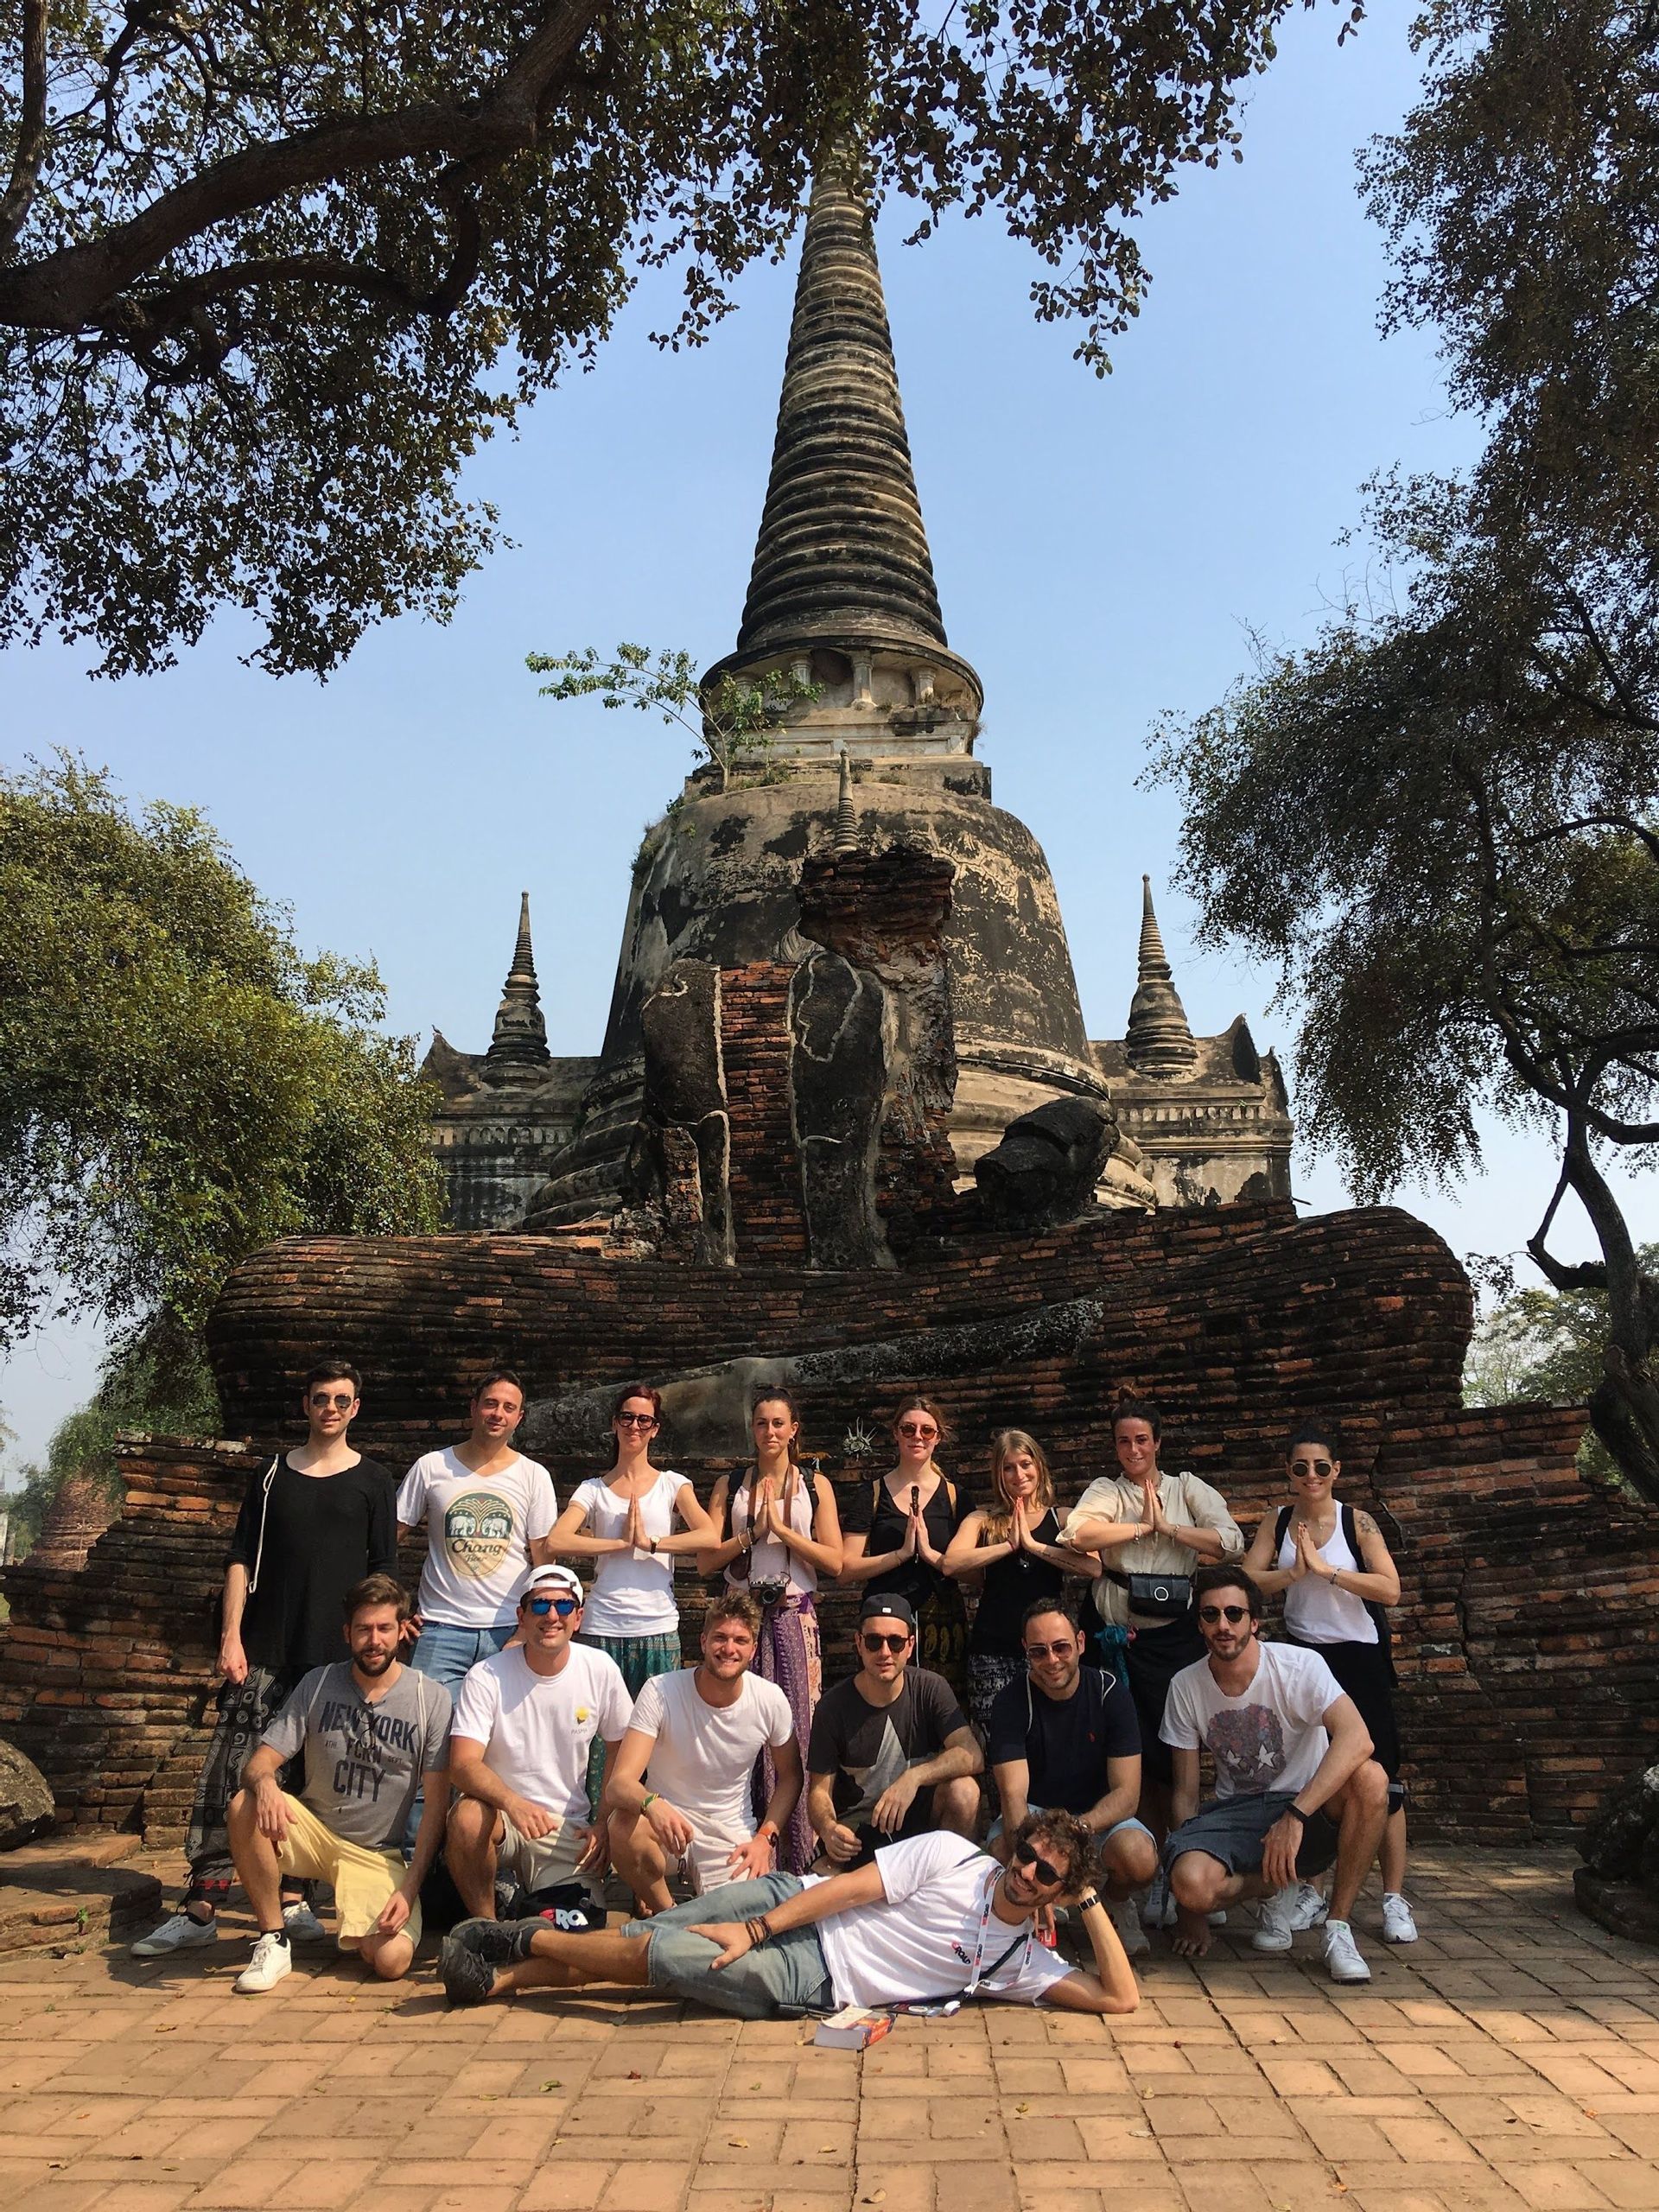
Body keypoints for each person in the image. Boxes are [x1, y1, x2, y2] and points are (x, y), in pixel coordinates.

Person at [132, 1360, 397, 1958]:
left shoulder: (374, 1479)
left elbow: (383, 1569)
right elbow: (239, 1561)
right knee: (234, 1771)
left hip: (334, 1656)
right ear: (305, 1405)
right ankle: (201, 1902)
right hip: (267, 1647)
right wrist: (231, 1636)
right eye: (321, 1398)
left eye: (342, 1399)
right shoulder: (273, 1474)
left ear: (356, 1408)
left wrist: (379, 1641)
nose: (331, 1408)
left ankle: (297, 1898)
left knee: (316, 1775)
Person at [436, 1806, 1141, 2018]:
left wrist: (1091, 1901)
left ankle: (514, 1945)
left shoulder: (1020, 1961)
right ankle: (498, 1976)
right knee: (656, 1930)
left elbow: (1120, 1997)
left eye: (1045, 1873)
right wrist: (758, 1926)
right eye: (1026, 1855)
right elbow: (852, 1888)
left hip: (813, 1979)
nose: (1024, 1872)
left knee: (658, 1958)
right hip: (788, 1904)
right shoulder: (955, 1857)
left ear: (1057, 1893)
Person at [1161, 1565, 1390, 1984]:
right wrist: (1189, 1908)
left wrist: (1296, 1816)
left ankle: (1337, 1928)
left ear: (1255, 1622)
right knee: (1192, 1884)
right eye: (1210, 1615)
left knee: (1371, 1779)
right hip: (1241, 1813)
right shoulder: (1185, 1685)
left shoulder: (1299, 1666)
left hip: (1309, 1808)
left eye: (1234, 1614)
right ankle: (1272, 1884)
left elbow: (1358, 1738)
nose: (1223, 1625)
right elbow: (1185, 1794)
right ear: (1200, 1624)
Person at [225, 1575, 451, 1993]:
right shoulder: (318, 1684)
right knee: (245, 1803)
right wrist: (267, 1786)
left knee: (391, 1961)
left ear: (403, 1631)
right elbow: (258, 1764)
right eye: (363, 1629)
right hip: (313, 1831)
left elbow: (436, 1807)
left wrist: (410, 1887)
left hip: (376, 1852)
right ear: (347, 1634)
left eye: (384, 1629)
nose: (374, 1640)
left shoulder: (430, 1698)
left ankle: (361, 1919)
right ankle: (273, 1939)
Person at [1063, 1398, 1243, 1920]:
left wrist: (1169, 1529)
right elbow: (1078, 1533)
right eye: (1124, 1440)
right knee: (1122, 1754)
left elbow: (1228, 1542)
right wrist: (1140, 1527)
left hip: (1174, 1644)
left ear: (1157, 1442)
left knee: (1172, 1760)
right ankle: (1131, 1878)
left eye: (1142, 1439)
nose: (1133, 1449)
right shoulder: (1108, 1491)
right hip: (1115, 1641)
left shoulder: (1188, 1488)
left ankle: (1172, 1867)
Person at [1243, 1419, 1416, 1944]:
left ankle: (1393, 1897)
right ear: (1289, 1473)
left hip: (1358, 1657)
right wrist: (1293, 1574)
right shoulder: (1278, 1521)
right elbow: (1248, 1580)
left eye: (1321, 1466)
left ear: (1336, 1471)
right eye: (1301, 1467)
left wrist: (1325, 1571)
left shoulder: (1355, 1521)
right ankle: (1312, 1892)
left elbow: (1390, 1589)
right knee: (1313, 1773)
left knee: (1380, 1777)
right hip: (1303, 1657)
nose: (1311, 1475)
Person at [696, 1389, 842, 1873]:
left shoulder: (815, 1486)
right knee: (740, 1726)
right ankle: (736, 1842)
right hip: (741, 1616)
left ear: (794, 1428)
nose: (771, 1432)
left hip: (793, 1615)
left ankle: (795, 1850)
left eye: (779, 1423)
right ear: (752, 1429)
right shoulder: (730, 1484)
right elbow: (705, 1560)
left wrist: (783, 1531)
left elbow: (836, 1560)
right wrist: (750, 1534)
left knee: (796, 1727)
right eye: (762, 1423)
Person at [446, 1563, 633, 1917]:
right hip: (501, 1820)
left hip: (564, 1829)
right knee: (467, 1817)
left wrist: (603, 1824)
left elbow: (620, 1749)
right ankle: (487, 1927)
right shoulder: (486, 1675)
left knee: (577, 1931)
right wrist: (513, 1803)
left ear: (578, 1618)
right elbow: (462, 1764)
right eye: (539, 1605)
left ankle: (524, 1903)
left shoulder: (600, 1668)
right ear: (522, 1615)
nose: (551, 1615)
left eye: (563, 1607)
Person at [607, 1592, 803, 1912]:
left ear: (753, 1649)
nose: (729, 1649)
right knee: (623, 1826)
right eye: (720, 1638)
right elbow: (619, 1784)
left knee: (741, 1920)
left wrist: (765, 1838)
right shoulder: (660, 1691)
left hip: (730, 1829)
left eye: (740, 1640)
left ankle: (671, 1904)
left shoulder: (769, 1699)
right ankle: (667, 1911)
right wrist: (652, 1804)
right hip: (665, 1825)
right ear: (703, 1641)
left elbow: (792, 1776)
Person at [987, 1599, 1158, 1960]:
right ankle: (1029, 1914)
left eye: (1061, 1647)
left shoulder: (1110, 1693)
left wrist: (1075, 1831)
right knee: (1003, 1850)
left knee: (1139, 1858)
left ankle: (1114, 1900)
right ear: (1026, 1652)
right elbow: (1013, 1796)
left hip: (1095, 1819)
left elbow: (1127, 1795)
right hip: (1037, 1817)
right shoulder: (1011, 1701)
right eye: (1039, 1651)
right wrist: (1034, 1858)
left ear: (1080, 1643)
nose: (1051, 1661)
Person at [549, 1383, 715, 1703]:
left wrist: (650, 1543)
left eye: (644, 1420)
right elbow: (558, 1538)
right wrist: (619, 1544)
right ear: (615, 1423)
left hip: (657, 1623)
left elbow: (708, 1536)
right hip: (603, 1625)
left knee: (656, 1734)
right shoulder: (593, 1489)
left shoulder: (672, 1484)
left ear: (655, 1429)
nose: (634, 1426)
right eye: (627, 1418)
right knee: (597, 1738)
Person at [396, 1370, 558, 1696]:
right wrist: (393, 1609)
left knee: (505, 1739)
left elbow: (543, 1561)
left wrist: (528, 1628)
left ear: (519, 1418)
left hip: (507, 1630)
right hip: (439, 1628)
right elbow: (388, 1540)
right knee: (430, 1733)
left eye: (508, 1408)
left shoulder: (533, 1476)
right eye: (491, 1404)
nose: (498, 1413)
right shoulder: (432, 1466)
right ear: (474, 1408)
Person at [805, 1593, 981, 1870]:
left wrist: (914, 1777)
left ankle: (950, 1880)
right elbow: (818, 1791)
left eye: (895, 1642)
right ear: (859, 1644)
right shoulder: (833, 1706)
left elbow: (971, 1754)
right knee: (817, 1887)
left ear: (910, 1645)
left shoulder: (930, 1688)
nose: (885, 1652)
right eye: (874, 1641)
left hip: (919, 1823)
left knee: (965, 1791)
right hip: (859, 1832)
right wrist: (828, 1829)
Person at [943, 1429, 1094, 1741]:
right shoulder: (982, 1519)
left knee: (1052, 1739)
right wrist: (1009, 1547)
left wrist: (1035, 1546)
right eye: (1008, 1467)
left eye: (1025, 1464)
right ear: (998, 1474)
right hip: (992, 1652)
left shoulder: (1063, 1517)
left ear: (1038, 1466)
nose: (1018, 1474)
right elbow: (951, 1563)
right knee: (998, 1742)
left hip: (1047, 1652)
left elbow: (1093, 1566)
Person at [839, 1395, 972, 1692]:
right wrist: (901, 1554)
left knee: (943, 1708)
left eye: (927, 1431)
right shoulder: (872, 1493)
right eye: (909, 1429)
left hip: (943, 1620)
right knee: (881, 1704)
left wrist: (931, 1554)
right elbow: (846, 1568)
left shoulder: (956, 1497)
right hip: (884, 1621)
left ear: (938, 1437)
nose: (917, 1437)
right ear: (896, 1433)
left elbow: (975, 1574)